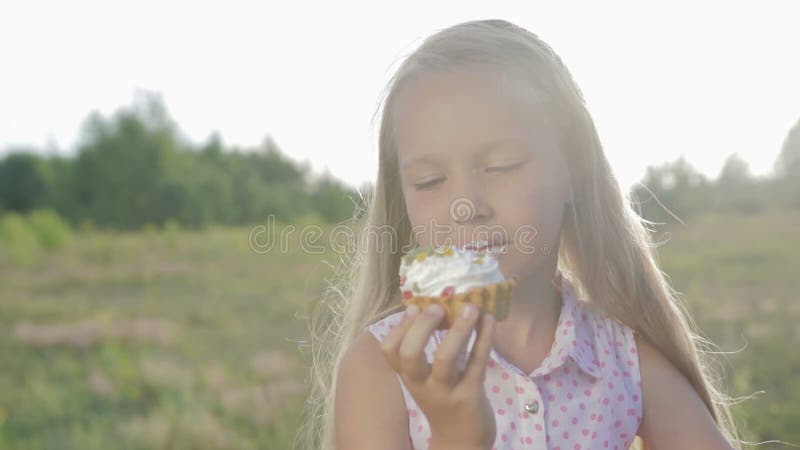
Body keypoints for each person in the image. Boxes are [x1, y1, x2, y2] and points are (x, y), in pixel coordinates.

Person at [296, 19, 743, 450]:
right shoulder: (381, 369)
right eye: (431, 181)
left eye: (502, 166)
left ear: (573, 170)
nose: (466, 206)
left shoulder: (627, 364)